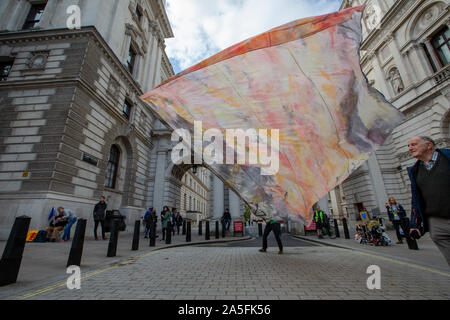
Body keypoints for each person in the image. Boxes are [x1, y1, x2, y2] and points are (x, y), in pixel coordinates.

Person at [407, 136, 450, 265]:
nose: (410, 148)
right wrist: (414, 224)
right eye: (408, 146)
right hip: (437, 223)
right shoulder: (415, 171)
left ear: (429, 145)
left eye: (414, 144)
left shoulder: (447, 158)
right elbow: (416, 198)